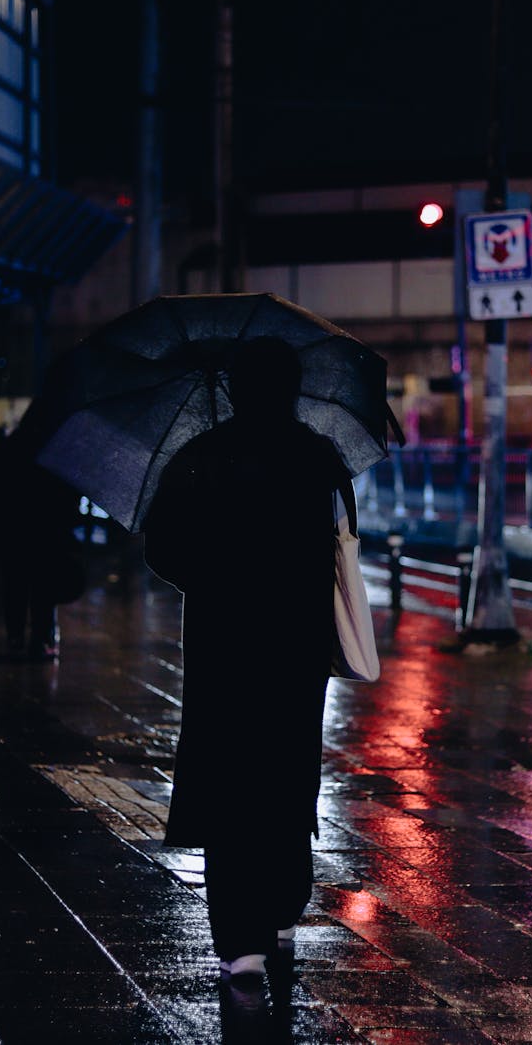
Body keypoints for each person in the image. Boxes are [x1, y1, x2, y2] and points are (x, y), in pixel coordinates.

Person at [142, 337, 351, 992]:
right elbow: (339, 544)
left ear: (234, 388)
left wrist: (210, 575)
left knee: (229, 786)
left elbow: (161, 546)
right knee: (287, 779)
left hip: (224, 647)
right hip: (294, 651)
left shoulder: (202, 457)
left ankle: (242, 945)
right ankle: (284, 907)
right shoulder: (319, 457)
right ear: (292, 388)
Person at [0, 425, 83, 661]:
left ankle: (16, 635)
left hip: (15, 533)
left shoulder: (11, 456)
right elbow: (68, 500)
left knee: (16, 584)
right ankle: (40, 639)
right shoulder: (56, 459)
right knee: (42, 588)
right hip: (47, 535)